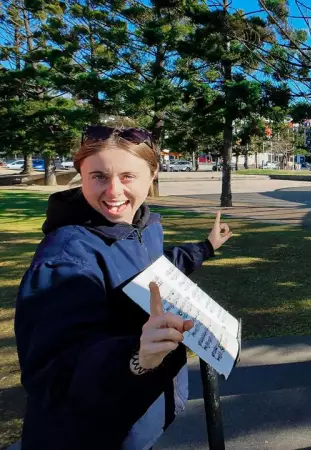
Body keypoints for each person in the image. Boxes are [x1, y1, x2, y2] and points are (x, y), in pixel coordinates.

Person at [14, 125, 233, 449]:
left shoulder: (141, 225)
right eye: (99, 176)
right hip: (91, 437)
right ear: (81, 175)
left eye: (128, 176)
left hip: (137, 418)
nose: (114, 192)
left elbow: (154, 270)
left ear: (152, 174)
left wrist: (207, 246)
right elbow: (51, 375)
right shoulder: (64, 260)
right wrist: (136, 357)